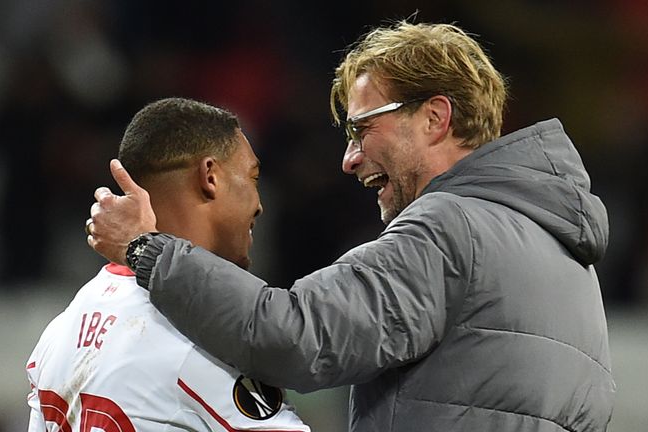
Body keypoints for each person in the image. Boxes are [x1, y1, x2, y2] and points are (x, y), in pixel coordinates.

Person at [87, 22, 615, 431]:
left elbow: (294, 333)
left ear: (435, 118)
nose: (349, 158)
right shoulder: (566, 255)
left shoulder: (451, 228)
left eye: (363, 129)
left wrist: (146, 248)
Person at [27, 98, 310, 432]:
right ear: (210, 177)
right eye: (253, 178)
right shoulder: (205, 338)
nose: (259, 204)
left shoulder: (58, 334)